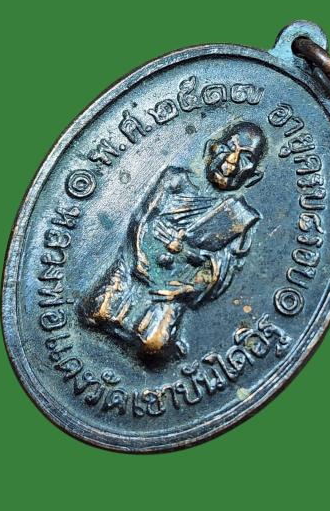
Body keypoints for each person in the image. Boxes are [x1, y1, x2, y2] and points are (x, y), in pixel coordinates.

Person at [82, 121, 267, 357]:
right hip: (135, 265)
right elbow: (142, 218)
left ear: (253, 176)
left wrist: (182, 286)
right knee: (97, 312)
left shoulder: (237, 217)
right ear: (211, 148)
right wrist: (139, 257)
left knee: (153, 346)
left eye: (246, 158)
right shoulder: (175, 180)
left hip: (173, 287)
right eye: (228, 148)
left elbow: (219, 273)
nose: (231, 162)